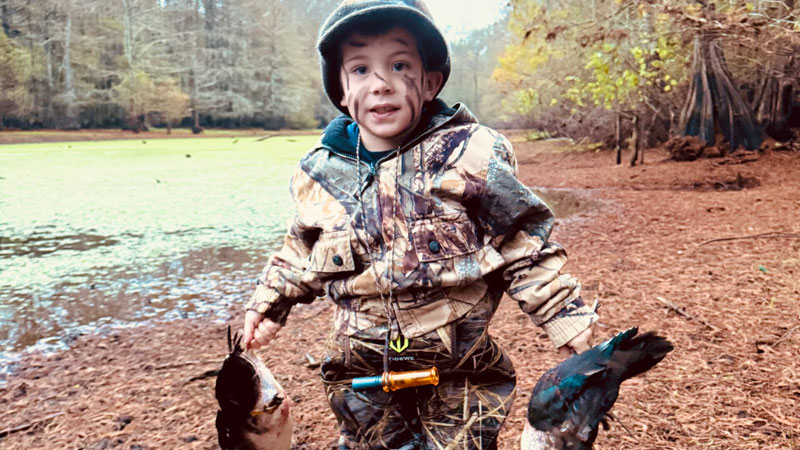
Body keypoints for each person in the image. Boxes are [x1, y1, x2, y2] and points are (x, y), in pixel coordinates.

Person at [242, 1, 598, 448]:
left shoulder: (471, 154)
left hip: (459, 371)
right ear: (340, 88)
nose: (380, 84)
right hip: (360, 370)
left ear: (430, 82)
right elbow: (300, 248)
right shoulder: (321, 173)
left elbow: (522, 242)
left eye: (399, 64)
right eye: (359, 70)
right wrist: (269, 303)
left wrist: (563, 316)